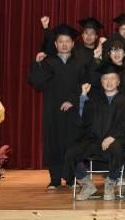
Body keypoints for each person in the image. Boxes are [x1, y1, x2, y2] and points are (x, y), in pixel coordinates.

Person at [29, 23, 89, 190]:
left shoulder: (80, 63)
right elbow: (37, 83)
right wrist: (37, 64)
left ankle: (71, 179)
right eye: (60, 41)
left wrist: (73, 101)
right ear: (55, 44)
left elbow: (85, 86)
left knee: (72, 143)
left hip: (73, 111)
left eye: (67, 41)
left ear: (73, 43)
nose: (64, 44)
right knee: (53, 142)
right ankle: (55, 180)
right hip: (53, 110)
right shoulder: (48, 62)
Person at [63, 63, 125, 200]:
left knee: (118, 148)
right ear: (101, 82)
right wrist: (83, 96)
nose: (109, 82)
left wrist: (112, 136)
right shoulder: (95, 100)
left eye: (112, 78)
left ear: (118, 82)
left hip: (117, 139)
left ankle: (111, 181)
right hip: (95, 140)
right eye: (105, 79)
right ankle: (87, 184)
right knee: (72, 151)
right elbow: (82, 120)